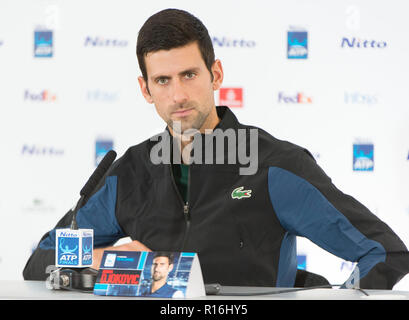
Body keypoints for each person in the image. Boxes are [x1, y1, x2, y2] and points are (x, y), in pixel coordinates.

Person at [23, 8, 409, 290]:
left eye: (189, 74)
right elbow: (41, 259)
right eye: (162, 80)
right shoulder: (131, 173)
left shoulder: (274, 166)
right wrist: (105, 258)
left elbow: (385, 253)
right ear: (145, 89)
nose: (178, 95)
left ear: (216, 75)